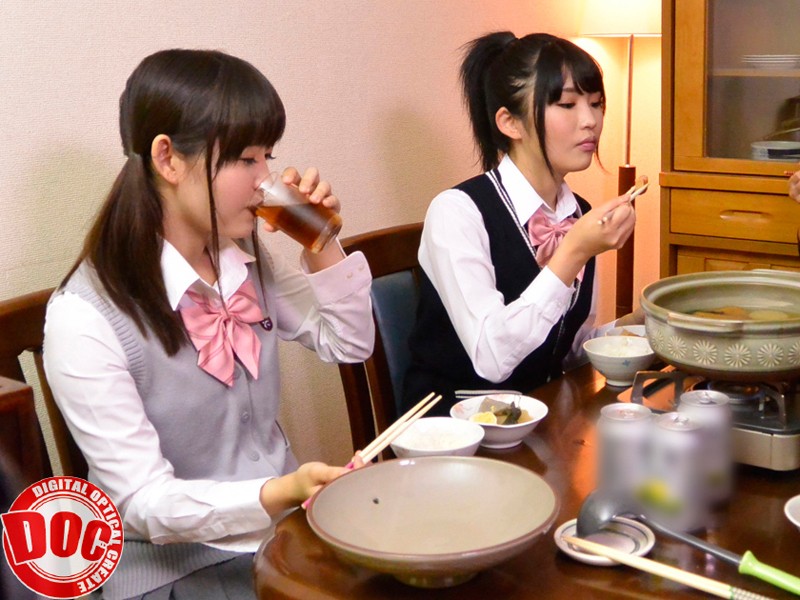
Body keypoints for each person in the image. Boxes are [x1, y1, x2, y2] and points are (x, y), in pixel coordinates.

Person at [42, 49, 374, 600]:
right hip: (174, 572)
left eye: (267, 156)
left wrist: (321, 240)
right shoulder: (83, 317)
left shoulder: (245, 260)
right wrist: (277, 492)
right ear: (168, 159)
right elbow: (142, 502)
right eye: (246, 160)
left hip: (282, 540)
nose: (265, 180)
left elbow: (351, 343)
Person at [403, 32, 642, 415]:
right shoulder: (457, 212)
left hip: (538, 420)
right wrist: (574, 251)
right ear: (510, 123)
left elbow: (566, 348)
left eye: (596, 103)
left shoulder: (579, 213)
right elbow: (492, 357)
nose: (590, 121)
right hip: (453, 430)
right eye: (567, 104)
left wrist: (638, 323)